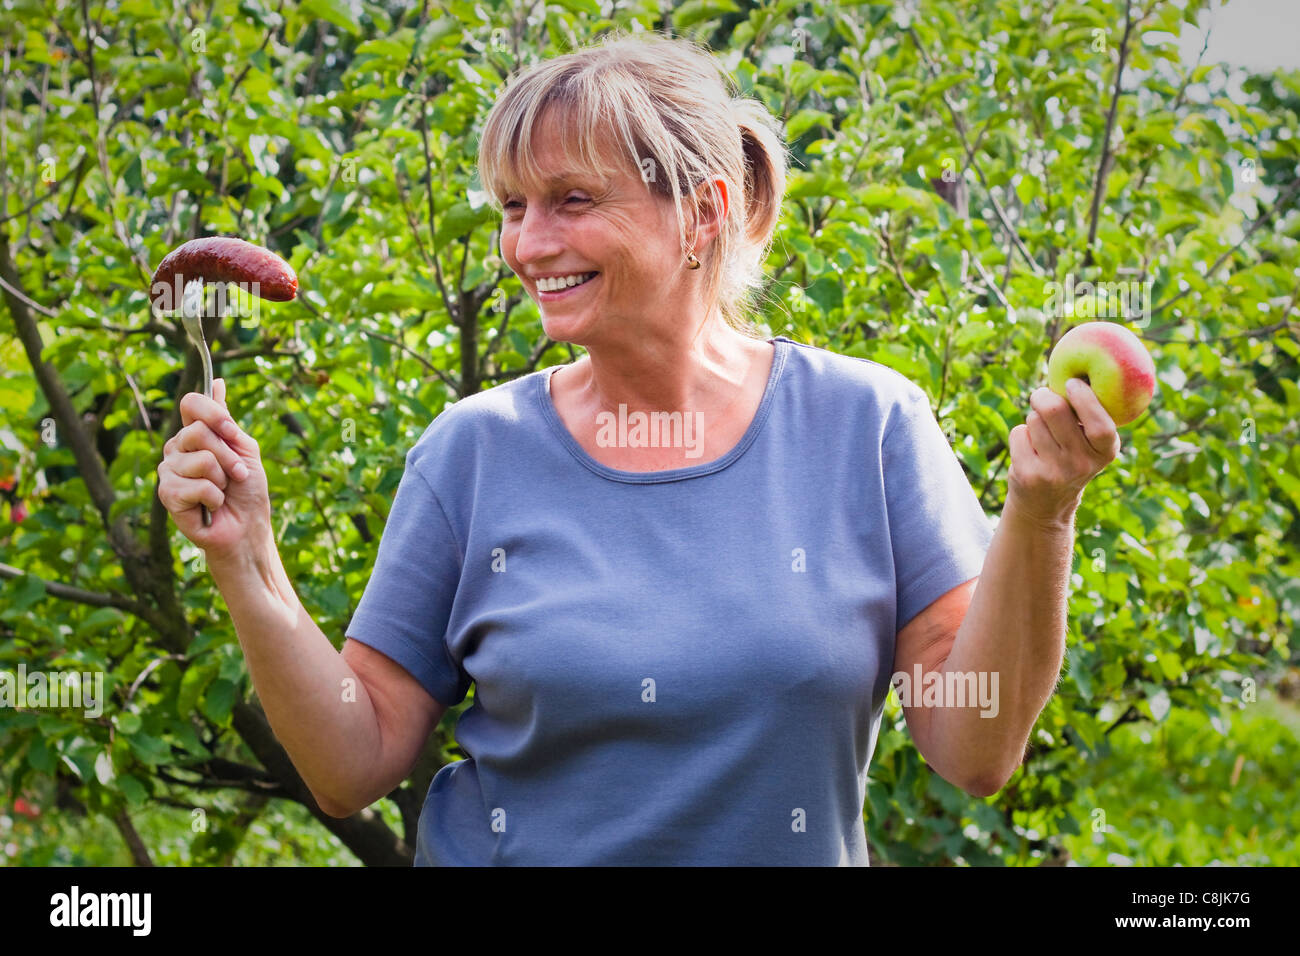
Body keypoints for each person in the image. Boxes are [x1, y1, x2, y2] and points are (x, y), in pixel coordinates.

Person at [157, 30, 1121, 866]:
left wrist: (1041, 516)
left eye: (572, 200)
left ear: (702, 212)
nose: (530, 244)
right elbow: (350, 762)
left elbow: (975, 747)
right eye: (511, 207)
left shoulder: (866, 426)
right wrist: (246, 561)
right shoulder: (472, 452)